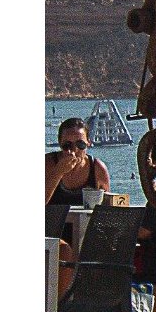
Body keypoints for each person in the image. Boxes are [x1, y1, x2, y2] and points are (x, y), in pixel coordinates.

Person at [46, 118, 110, 300]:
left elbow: (108, 208)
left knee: (109, 250)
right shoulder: (49, 164)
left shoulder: (97, 168)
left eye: (80, 144)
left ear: (89, 143)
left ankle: (101, 310)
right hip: (50, 231)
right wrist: (58, 172)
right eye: (67, 145)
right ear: (60, 145)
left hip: (84, 234)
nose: (74, 150)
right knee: (65, 251)